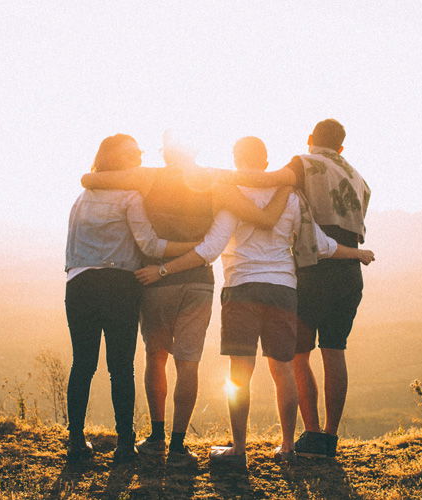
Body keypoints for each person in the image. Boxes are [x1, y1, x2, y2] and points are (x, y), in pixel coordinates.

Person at [134, 136, 374, 464]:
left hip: (241, 289)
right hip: (283, 290)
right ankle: (287, 447)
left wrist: (164, 269)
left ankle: (238, 450)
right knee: (284, 370)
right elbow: (321, 245)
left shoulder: (232, 196)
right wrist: (357, 253)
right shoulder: (291, 196)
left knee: (239, 373)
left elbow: (210, 249)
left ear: (236, 159)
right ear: (265, 162)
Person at [80, 134, 291, 466]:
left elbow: (92, 179)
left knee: (156, 356)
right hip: (198, 281)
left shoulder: (148, 176)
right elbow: (260, 200)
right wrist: (287, 182)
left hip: (154, 280)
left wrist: (90, 177)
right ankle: (178, 447)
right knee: (188, 362)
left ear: (166, 153)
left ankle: (156, 437)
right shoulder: (216, 180)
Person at [222, 119, 372, 458]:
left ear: (310, 139)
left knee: (297, 355)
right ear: (342, 147)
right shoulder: (359, 178)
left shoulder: (303, 163)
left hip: (314, 266)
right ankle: (329, 438)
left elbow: (266, 180)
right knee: (335, 350)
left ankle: (311, 433)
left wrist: (217, 178)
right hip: (348, 269)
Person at [64, 134, 199, 463]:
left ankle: (76, 442)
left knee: (82, 364)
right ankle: (125, 444)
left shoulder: (82, 197)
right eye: (133, 153)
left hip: (79, 283)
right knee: (121, 368)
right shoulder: (130, 196)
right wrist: (194, 246)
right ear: (118, 160)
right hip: (119, 285)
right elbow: (150, 246)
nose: (139, 156)